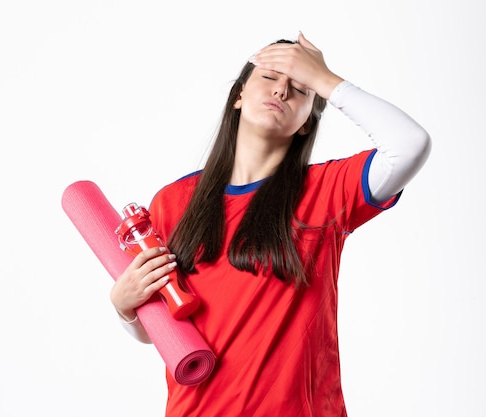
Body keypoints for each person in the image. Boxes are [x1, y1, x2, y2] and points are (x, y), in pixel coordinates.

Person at [109, 32, 431, 417]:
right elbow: (163, 331)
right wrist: (125, 308)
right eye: (271, 76)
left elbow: (410, 143)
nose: (281, 90)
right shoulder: (173, 202)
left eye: (300, 89)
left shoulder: (327, 191)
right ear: (238, 96)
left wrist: (325, 80)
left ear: (305, 124)